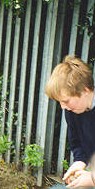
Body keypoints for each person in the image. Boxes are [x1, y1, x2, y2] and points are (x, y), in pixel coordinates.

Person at [45, 55, 95, 186]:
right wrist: (80, 161)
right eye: (60, 101)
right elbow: (76, 143)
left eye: (66, 100)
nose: (63, 107)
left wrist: (92, 179)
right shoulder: (72, 111)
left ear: (85, 90)